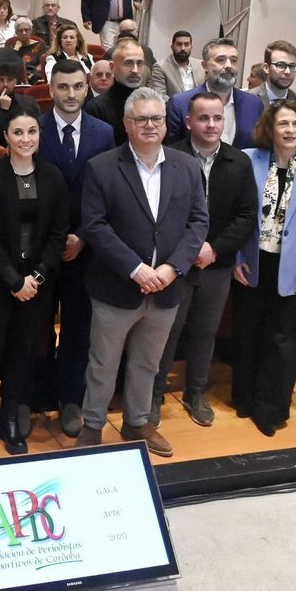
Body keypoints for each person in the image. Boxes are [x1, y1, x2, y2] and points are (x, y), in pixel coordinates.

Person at [77, 88, 208, 456]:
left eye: (157, 119)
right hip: (117, 287)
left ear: (166, 125)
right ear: (127, 124)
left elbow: (199, 221)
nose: (150, 126)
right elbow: (95, 225)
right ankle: (92, 426)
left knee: (148, 364)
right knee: (103, 364)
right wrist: (136, 269)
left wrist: (173, 267)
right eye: (142, 119)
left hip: (166, 287)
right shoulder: (102, 167)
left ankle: (137, 423)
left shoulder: (187, 166)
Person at [0, 108, 69, 457]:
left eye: (32, 132)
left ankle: (8, 418)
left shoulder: (52, 177)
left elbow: (57, 233)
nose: (26, 139)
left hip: (36, 287)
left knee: (21, 352)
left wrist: (35, 277)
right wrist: (13, 279)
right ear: (5, 137)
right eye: (18, 132)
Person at [152, 92, 257, 428]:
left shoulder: (238, 161)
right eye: (203, 118)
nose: (211, 125)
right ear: (188, 121)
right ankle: (152, 396)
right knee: (167, 332)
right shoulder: (170, 157)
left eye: (217, 118)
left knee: (204, 332)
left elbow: (245, 215)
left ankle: (196, 393)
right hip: (175, 263)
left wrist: (214, 249)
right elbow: (161, 213)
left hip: (217, 263)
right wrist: (187, 251)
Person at [231, 102, 296, 437]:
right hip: (254, 261)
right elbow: (238, 215)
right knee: (249, 334)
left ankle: (271, 409)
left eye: (295, 124)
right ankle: (244, 398)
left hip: (295, 266)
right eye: (282, 124)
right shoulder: (248, 159)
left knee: (284, 340)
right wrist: (235, 259)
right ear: (269, 129)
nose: (289, 130)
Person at [34, 61, 117, 437]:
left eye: (78, 87)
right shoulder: (34, 128)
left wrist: (82, 234)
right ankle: (32, 398)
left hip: (87, 248)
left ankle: (70, 398)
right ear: (51, 89)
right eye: (63, 87)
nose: (71, 94)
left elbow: (108, 192)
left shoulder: (104, 132)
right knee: (35, 326)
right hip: (40, 247)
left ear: (87, 89)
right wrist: (56, 239)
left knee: (77, 328)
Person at [166, 38, 264, 147]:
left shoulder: (254, 104)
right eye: (221, 60)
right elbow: (172, 151)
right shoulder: (180, 103)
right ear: (205, 66)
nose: (228, 66)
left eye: (234, 60)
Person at [84, 38, 147, 144]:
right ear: (112, 67)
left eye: (140, 63)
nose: (135, 70)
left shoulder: (150, 103)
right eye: (128, 63)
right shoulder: (96, 108)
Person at [253, 40, 296, 110]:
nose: (288, 72)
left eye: (292, 66)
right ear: (266, 68)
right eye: (281, 65)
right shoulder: (249, 98)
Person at [155, 31, 203, 98]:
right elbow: (160, 97)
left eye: (186, 44)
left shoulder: (200, 64)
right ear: (172, 47)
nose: (183, 48)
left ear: (191, 47)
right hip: (173, 107)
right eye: (179, 44)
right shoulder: (160, 67)